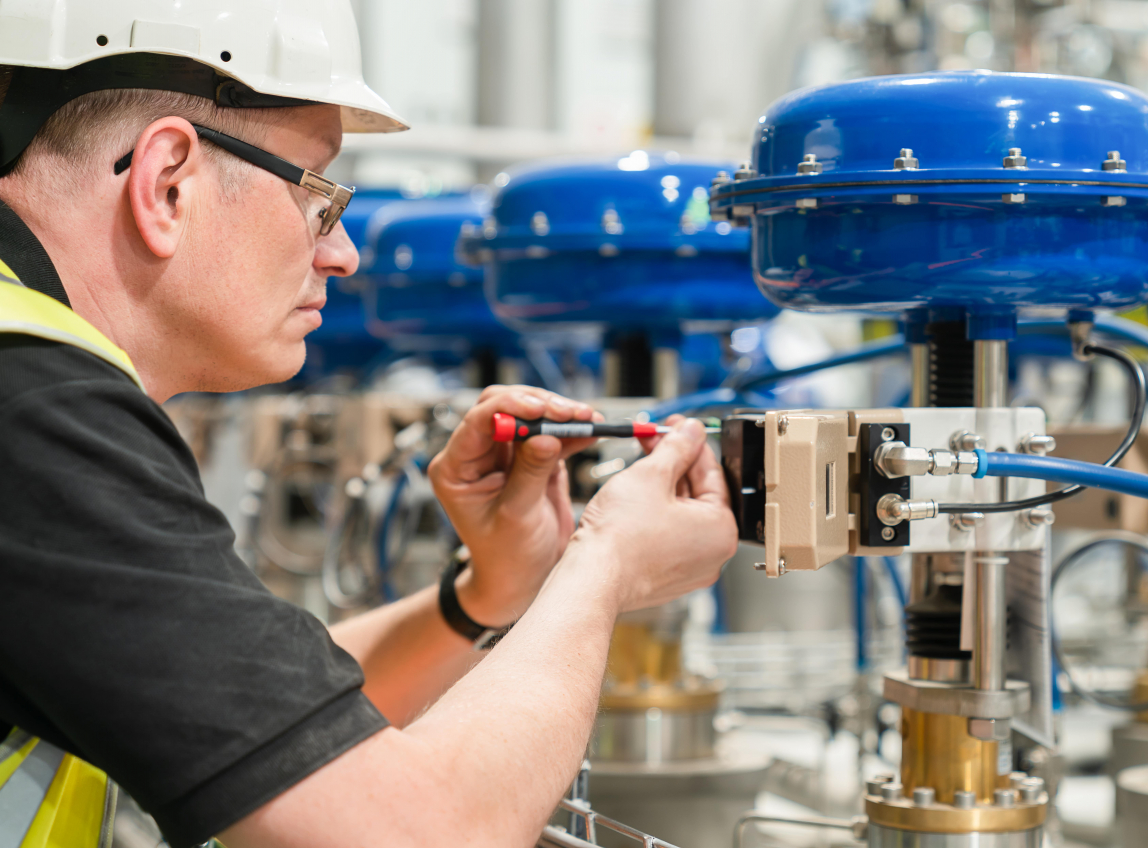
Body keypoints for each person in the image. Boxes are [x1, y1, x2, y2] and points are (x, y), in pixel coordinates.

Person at [0, 3, 738, 847]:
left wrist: (486, 594)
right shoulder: (33, 409)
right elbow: (415, 833)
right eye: (320, 195)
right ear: (168, 179)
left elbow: (269, 739)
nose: (344, 252)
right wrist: (606, 563)